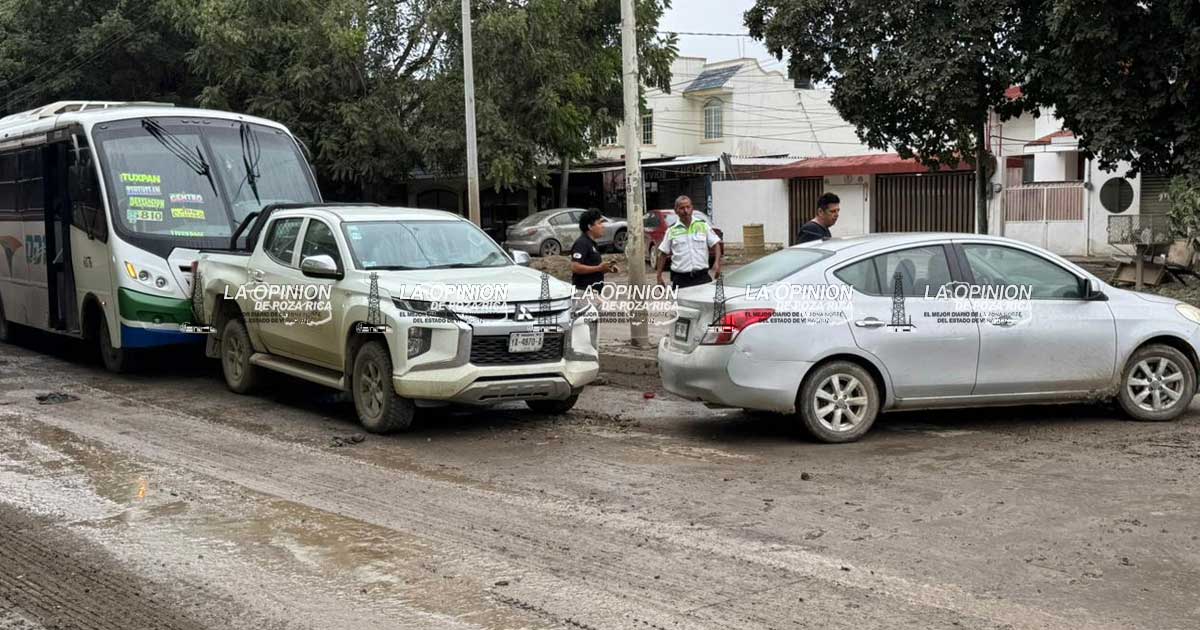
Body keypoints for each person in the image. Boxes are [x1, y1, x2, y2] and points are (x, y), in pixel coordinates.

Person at [656, 195, 721, 289]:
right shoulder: (672, 230)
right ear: (676, 211)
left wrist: (717, 263)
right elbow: (663, 253)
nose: (686, 211)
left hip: (702, 277)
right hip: (681, 280)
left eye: (688, 207)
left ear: (692, 208)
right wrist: (659, 276)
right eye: (682, 208)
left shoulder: (702, 225)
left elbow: (716, 244)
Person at [570, 209, 617, 291]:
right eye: (599, 223)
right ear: (590, 227)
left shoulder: (592, 243)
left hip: (594, 293)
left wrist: (606, 269)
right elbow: (575, 267)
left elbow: (593, 268)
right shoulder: (582, 243)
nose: (603, 226)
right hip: (584, 293)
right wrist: (599, 268)